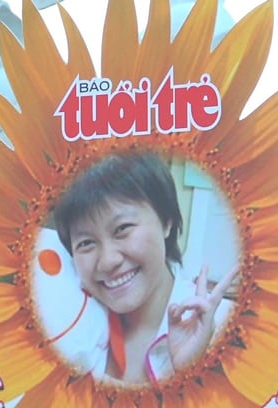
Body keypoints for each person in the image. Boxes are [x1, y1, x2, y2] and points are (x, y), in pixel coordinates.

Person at [52, 151, 237, 385]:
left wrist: (194, 376)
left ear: (166, 221)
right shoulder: (72, 330)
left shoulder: (230, 327)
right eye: (86, 243)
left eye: (122, 229)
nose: (108, 261)